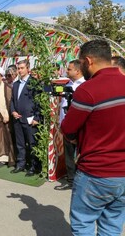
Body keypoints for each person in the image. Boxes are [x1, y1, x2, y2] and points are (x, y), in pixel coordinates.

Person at [61, 40, 125, 235]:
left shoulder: (88, 90)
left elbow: (68, 128)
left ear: (88, 61)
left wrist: (76, 137)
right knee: (112, 226)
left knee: (83, 224)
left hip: (96, 171)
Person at [54, 60, 84, 191]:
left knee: (81, 154)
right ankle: (71, 180)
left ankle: (82, 180)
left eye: (69, 69)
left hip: (80, 127)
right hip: (66, 125)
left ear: (77, 71)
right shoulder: (68, 84)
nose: (66, 71)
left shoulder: (85, 85)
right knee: (69, 153)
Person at [10, 59, 41, 176]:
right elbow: (12, 100)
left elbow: (39, 103)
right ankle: (20, 164)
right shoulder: (16, 84)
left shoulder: (34, 83)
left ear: (28, 69)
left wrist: (36, 118)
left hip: (30, 119)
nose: (20, 70)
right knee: (20, 143)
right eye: (18, 68)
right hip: (18, 119)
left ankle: (33, 166)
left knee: (32, 144)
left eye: (22, 68)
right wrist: (13, 111)